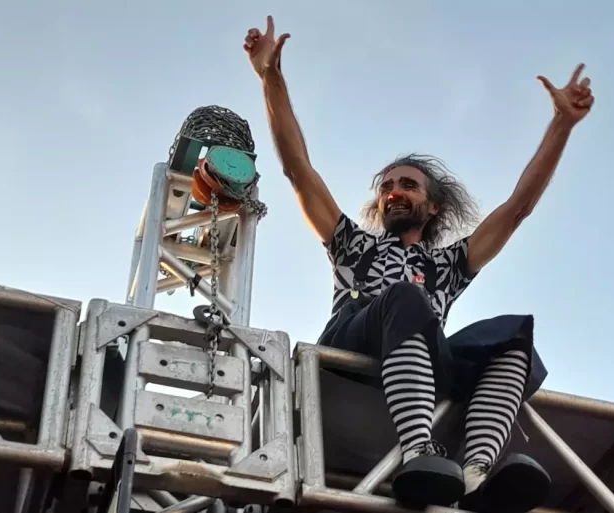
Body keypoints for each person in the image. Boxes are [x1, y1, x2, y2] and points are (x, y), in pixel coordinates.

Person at [243, 15, 594, 512]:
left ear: (432, 207)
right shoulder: (353, 246)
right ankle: (418, 450)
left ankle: (477, 472)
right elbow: (298, 170)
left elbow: (517, 208)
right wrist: (271, 79)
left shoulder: (449, 265)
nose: (393, 193)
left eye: (407, 185)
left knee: (514, 334)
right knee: (404, 298)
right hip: (354, 348)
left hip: (421, 358)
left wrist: (561, 126)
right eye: (387, 187)